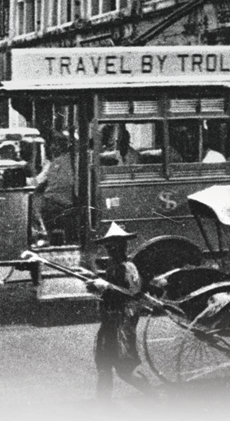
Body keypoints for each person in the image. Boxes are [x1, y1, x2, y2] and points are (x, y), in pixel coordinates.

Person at [86, 222, 154, 400]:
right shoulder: (112, 266)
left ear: (122, 246)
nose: (110, 250)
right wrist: (98, 288)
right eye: (108, 246)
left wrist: (107, 286)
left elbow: (133, 293)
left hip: (123, 321)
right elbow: (110, 291)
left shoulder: (128, 267)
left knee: (124, 369)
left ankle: (154, 397)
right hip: (109, 320)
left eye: (114, 246)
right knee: (103, 365)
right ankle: (103, 407)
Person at [30, 135, 76, 246]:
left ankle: (45, 237)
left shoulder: (58, 162)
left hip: (59, 201)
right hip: (61, 200)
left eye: (53, 145)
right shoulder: (65, 160)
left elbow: (46, 182)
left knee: (35, 206)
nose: (51, 148)